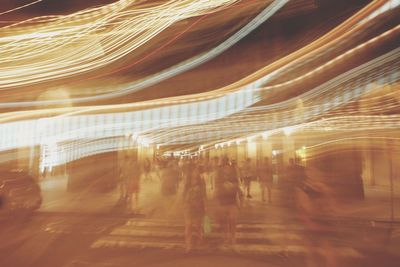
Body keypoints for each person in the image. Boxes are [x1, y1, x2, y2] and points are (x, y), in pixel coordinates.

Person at [215, 157, 242, 245]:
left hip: (232, 201)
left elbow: (238, 185)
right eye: (224, 167)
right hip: (223, 201)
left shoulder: (233, 175)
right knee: (225, 221)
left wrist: (232, 185)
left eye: (227, 167)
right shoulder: (219, 176)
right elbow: (217, 187)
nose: (226, 169)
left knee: (232, 220)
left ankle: (233, 238)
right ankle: (226, 237)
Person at [183, 162, 207, 253]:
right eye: (194, 170)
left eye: (197, 170)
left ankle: (199, 241)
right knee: (188, 225)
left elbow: (204, 195)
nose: (195, 172)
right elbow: (184, 194)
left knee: (198, 226)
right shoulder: (187, 182)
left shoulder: (202, 182)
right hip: (188, 205)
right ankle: (188, 245)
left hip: (198, 205)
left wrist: (205, 206)